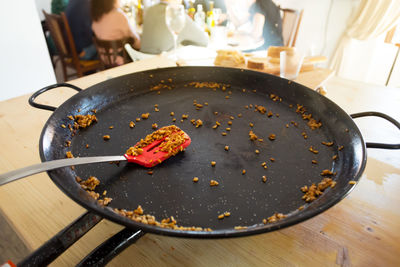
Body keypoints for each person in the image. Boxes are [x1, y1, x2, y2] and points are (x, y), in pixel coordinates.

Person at [140, 0, 208, 54]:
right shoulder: (176, 13)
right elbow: (204, 41)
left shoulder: (150, 10)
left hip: (142, 61)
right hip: (160, 64)